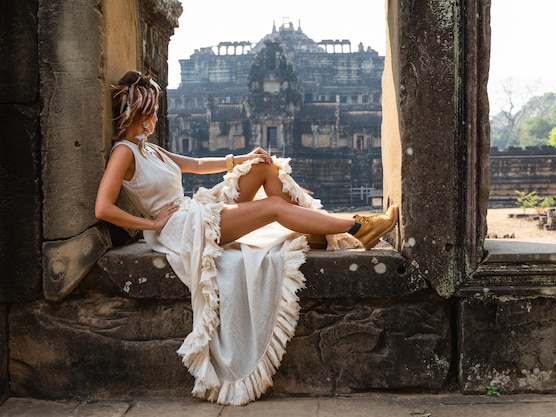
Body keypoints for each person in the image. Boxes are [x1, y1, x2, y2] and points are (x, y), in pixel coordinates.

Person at [95, 70, 398, 405]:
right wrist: (150, 225)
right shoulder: (124, 151)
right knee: (273, 208)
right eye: (151, 111)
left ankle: (317, 230)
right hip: (184, 228)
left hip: (195, 210)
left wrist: (243, 158)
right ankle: (355, 227)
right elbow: (103, 207)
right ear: (137, 111)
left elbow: (195, 164)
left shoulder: (149, 149)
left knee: (264, 169)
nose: (154, 117)